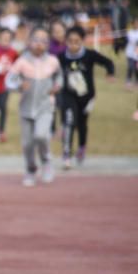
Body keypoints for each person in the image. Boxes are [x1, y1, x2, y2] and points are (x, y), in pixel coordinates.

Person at [5, 27, 62, 186]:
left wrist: (57, 86)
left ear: (48, 44)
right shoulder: (22, 61)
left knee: (41, 136)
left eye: (43, 41)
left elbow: (60, 77)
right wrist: (18, 86)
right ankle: (31, 169)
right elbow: (9, 80)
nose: (39, 44)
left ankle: (46, 162)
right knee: (27, 144)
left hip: (45, 107)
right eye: (36, 40)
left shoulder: (53, 61)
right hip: (26, 108)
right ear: (29, 42)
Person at [58, 25, 115, 169]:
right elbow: (50, 67)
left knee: (81, 124)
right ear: (66, 41)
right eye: (70, 41)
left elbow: (108, 62)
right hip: (68, 95)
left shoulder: (89, 55)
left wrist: (110, 73)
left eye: (77, 41)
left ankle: (82, 147)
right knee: (69, 122)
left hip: (86, 96)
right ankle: (66, 154)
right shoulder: (61, 57)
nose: (73, 45)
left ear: (82, 41)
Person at [126, 19, 138, 88]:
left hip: (137, 54)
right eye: (136, 23)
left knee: (136, 68)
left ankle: (136, 81)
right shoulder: (130, 32)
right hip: (130, 53)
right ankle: (128, 81)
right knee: (130, 67)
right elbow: (132, 41)